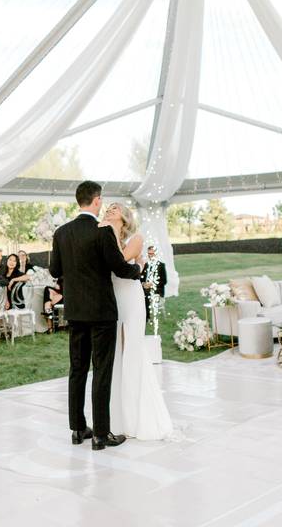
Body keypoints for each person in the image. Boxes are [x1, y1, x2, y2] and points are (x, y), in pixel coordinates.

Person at [49, 180, 142, 451]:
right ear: (97, 200)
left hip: (75, 311)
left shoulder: (61, 232)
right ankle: (101, 434)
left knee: (77, 369)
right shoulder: (101, 231)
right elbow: (120, 268)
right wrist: (139, 271)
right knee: (101, 370)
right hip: (101, 312)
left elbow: (55, 270)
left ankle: (78, 429)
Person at [102, 203, 173, 441]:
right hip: (112, 299)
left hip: (131, 300)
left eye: (115, 208)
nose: (110, 210)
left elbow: (119, 261)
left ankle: (135, 418)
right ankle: (116, 417)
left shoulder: (136, 238)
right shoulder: (103, 235)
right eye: (108, 208)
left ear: (124, 217)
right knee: (115, 355)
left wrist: (107, 233)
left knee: (130, 351)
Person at [140, 245, 167, 320]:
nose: (150, 255)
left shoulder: (161, 265)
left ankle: (146, 317)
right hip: (145, 288)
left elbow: (164, 281)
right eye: (149, 253)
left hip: (157, 289)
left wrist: (152, 284)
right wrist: (143, 284)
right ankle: (141, 314)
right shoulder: (146, 265)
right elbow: (140, 279)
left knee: (146, 295)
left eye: (152, 253)